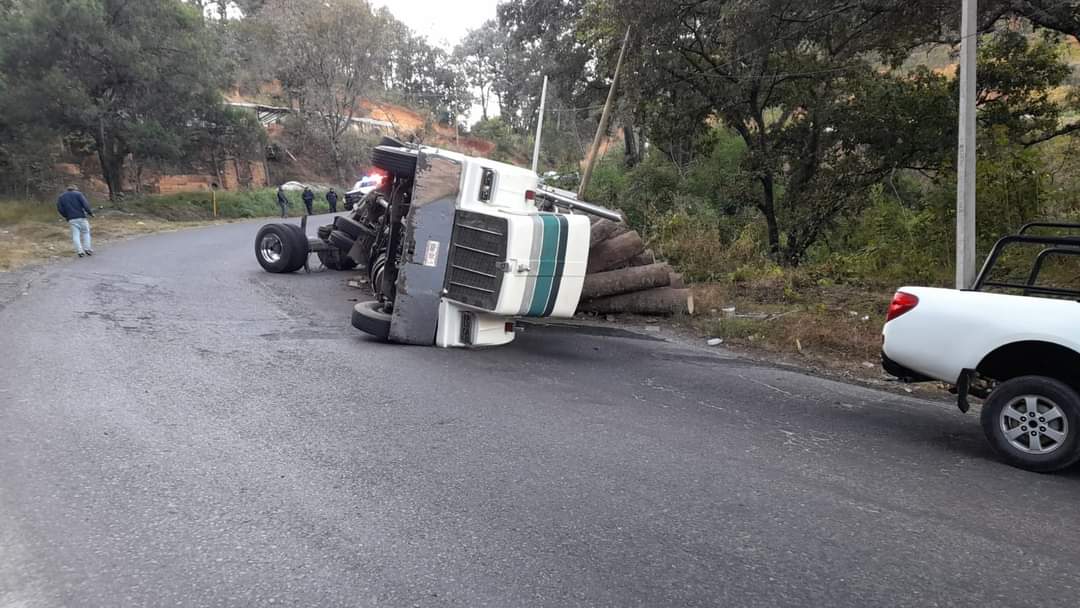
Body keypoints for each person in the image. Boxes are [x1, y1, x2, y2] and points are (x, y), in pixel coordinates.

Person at [56, 185, 94, 258]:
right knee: (86, 232)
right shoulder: (78, 194)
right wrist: (90, 213)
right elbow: (85, 205)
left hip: (71, 219)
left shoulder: (61, 197)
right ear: (75, 189)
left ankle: (80, 251)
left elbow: (60, 208)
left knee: (75, 235)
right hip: (81, 217)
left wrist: (66, 216)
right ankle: (87, 249)